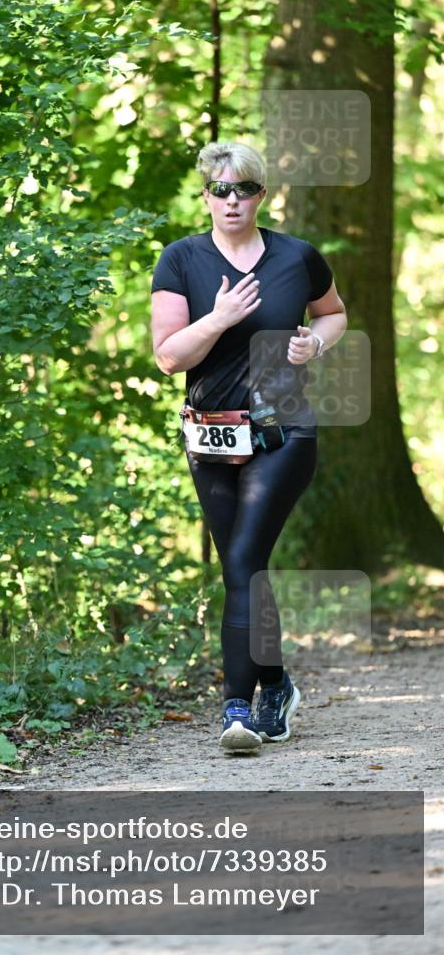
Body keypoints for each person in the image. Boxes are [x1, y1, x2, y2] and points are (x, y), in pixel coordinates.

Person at [150, 141, 347, 753]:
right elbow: (167, 357)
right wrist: (220, 317)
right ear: (205, 195)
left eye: (244, 189)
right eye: (220, 189)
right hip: (210, 435)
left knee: (239, 563)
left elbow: (333, 313)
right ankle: (277, 683)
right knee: (249, 570)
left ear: (263, 194)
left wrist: (315, 345)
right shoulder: (181, 260)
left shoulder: (297, 257)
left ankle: (237, 709)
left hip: (284, 432)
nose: (232, 200)